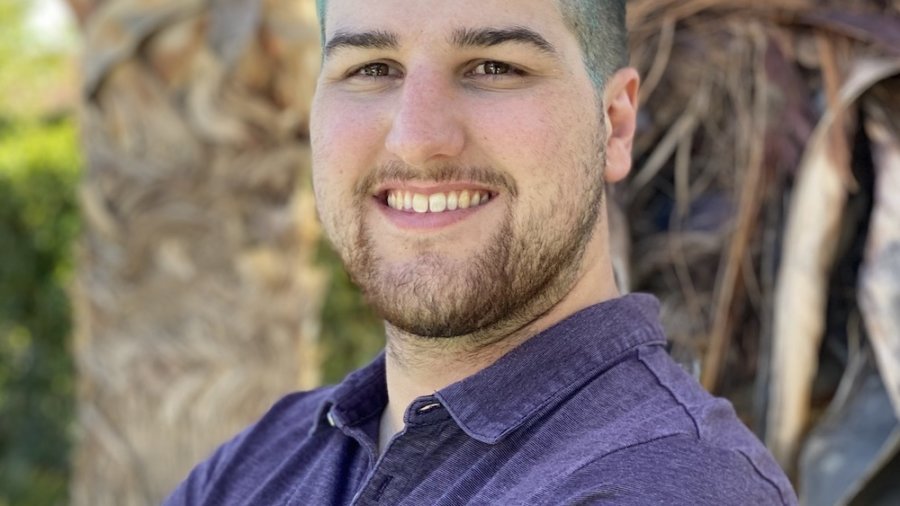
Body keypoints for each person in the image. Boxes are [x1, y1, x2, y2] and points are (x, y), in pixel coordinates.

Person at [167, 0, 798, 504]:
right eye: (372, 69)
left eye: (494, 67)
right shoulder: (258, 464)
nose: (417, 140)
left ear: (615, 123)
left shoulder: (670, 484)